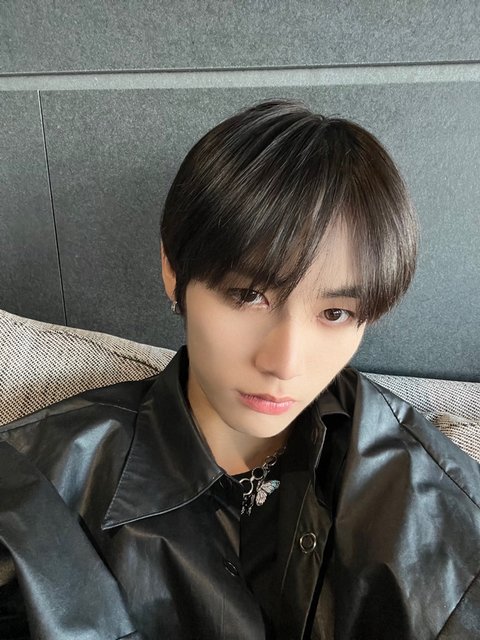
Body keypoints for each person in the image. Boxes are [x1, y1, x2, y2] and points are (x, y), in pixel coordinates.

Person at [0, 99, 478, 640]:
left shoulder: (437, 497)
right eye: (249, 295)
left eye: (336, 313)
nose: (284, 362)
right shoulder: (40, 485)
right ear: (173, 270)